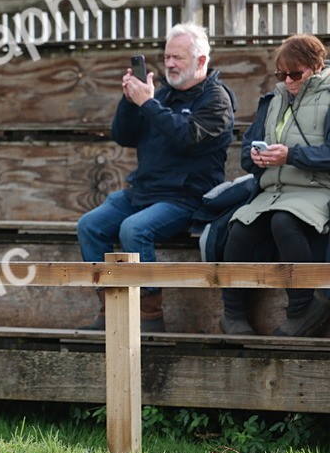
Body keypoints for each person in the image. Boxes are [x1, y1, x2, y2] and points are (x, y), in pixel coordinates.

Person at [77, 23, 235, 332]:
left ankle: (149, 314)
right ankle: (111, 310)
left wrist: (148, 104)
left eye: (178, 58)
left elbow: (186, 138)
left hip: (186, 198)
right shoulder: (162, 95)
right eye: (167, 57)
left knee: (133, 230)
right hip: (144, 192)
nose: (170, 64)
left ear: (201, 61)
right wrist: (129, 100)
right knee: (90, 226)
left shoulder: (216, 100)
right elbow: (124, 136)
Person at [220, 34, 330, 337]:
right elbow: (245, 156)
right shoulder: (272, 100)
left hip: (316, 189)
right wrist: (257, 156)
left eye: (296, 73)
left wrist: (291, 155)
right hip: (272, 192)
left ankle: (303, 309)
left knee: (285, 222)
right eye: (282, 74)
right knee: (239, 228)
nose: (289, 80)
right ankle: (232, 314)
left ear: (316, 67)